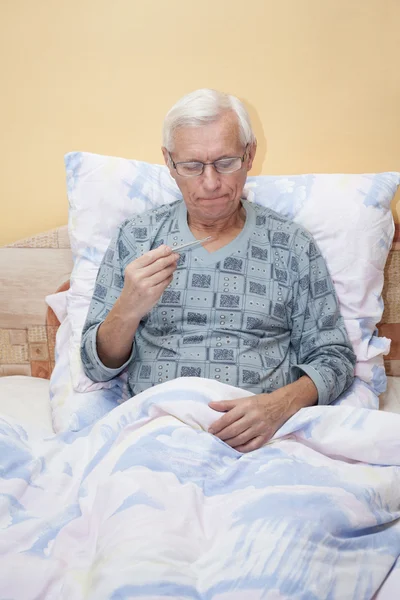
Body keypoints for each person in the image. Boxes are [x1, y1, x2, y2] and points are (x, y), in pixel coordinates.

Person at [81, 88, 355, 452]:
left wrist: (279, 406)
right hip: (156, 439)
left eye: (226, 162)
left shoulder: (292, 246)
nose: (210, 183)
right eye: (192, 166)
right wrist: (127, 309)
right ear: (168, 161)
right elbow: (96, 367)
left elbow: (334, 358)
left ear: (250, 154)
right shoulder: (138, 238)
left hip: (263, 443)